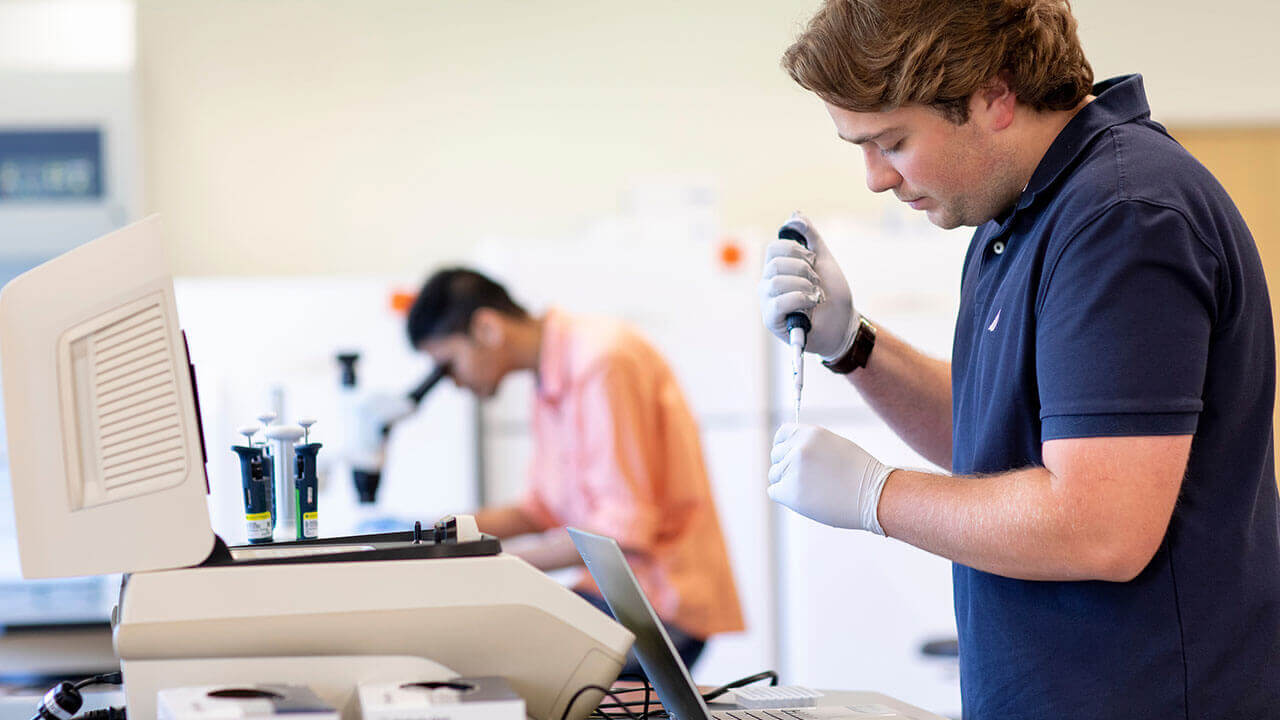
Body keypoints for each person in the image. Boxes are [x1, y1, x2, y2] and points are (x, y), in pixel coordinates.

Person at [758, 1, 1280, 718]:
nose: (876, 178)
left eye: (893, 141)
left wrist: (874, 495)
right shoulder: (1026, 211)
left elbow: (1103, 526)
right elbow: (1002, 443)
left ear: (994, 96)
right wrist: (853, 347)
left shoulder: (1124, 214)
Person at [408, 267, 744, 672]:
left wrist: (491, 566)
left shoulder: (602, 361)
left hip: (659, 602)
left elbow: (619, 535)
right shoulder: (549, 378)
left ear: (486, 328)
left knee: (486, 658)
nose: (455, 383)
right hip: (616, 592)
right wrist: (432, 536)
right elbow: (539, 510)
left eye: (449, 366)